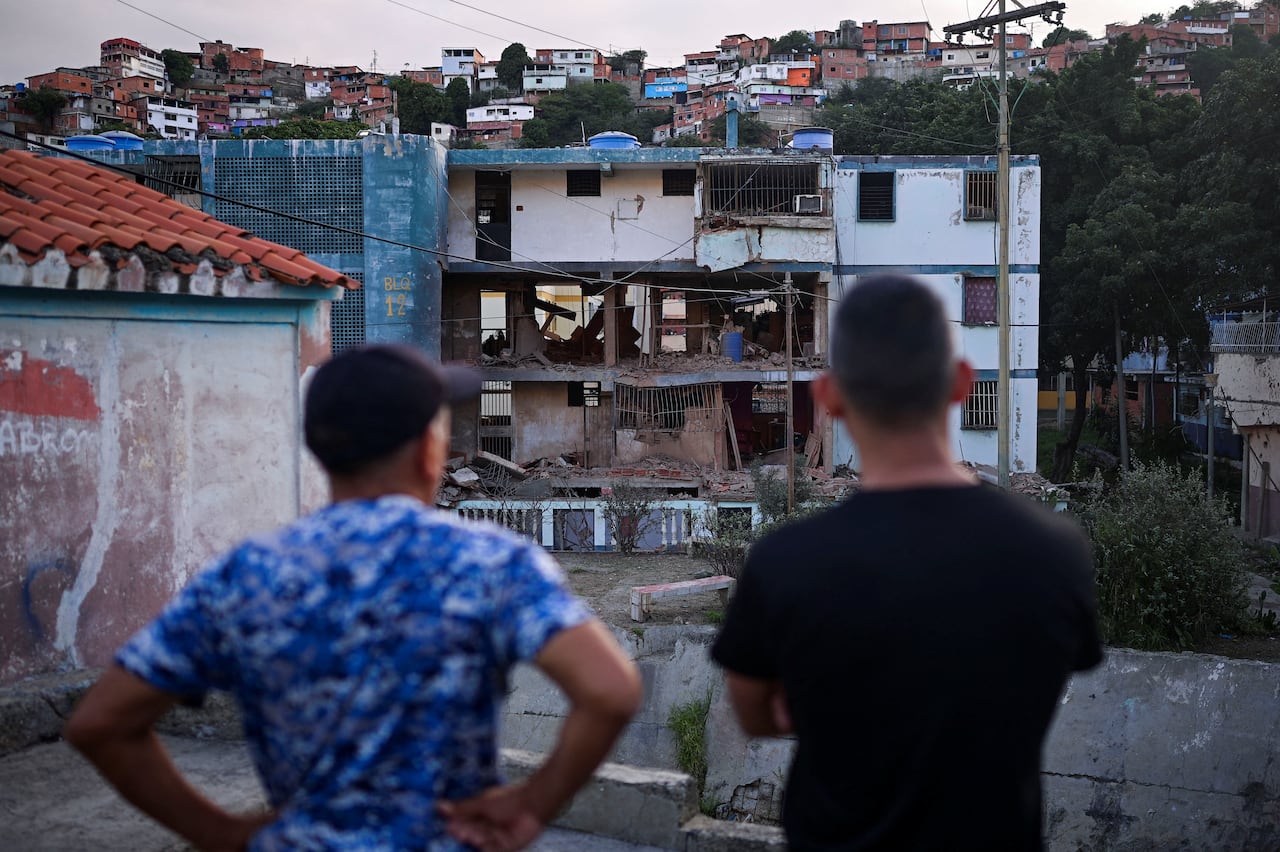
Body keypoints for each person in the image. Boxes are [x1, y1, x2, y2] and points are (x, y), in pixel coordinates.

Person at [66, 344, 642, 852]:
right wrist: (533, 803)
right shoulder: (489, 562)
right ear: (427, 451)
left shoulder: (246, 575)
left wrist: (215, 831)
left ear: (321, 452)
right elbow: (610, 691)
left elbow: (100, 723)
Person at [711, 274, 1102, 851]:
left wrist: (833, 704)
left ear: (829, 397)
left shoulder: (785, 563)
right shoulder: (1056, 552)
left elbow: (754, 714)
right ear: (963, 384)